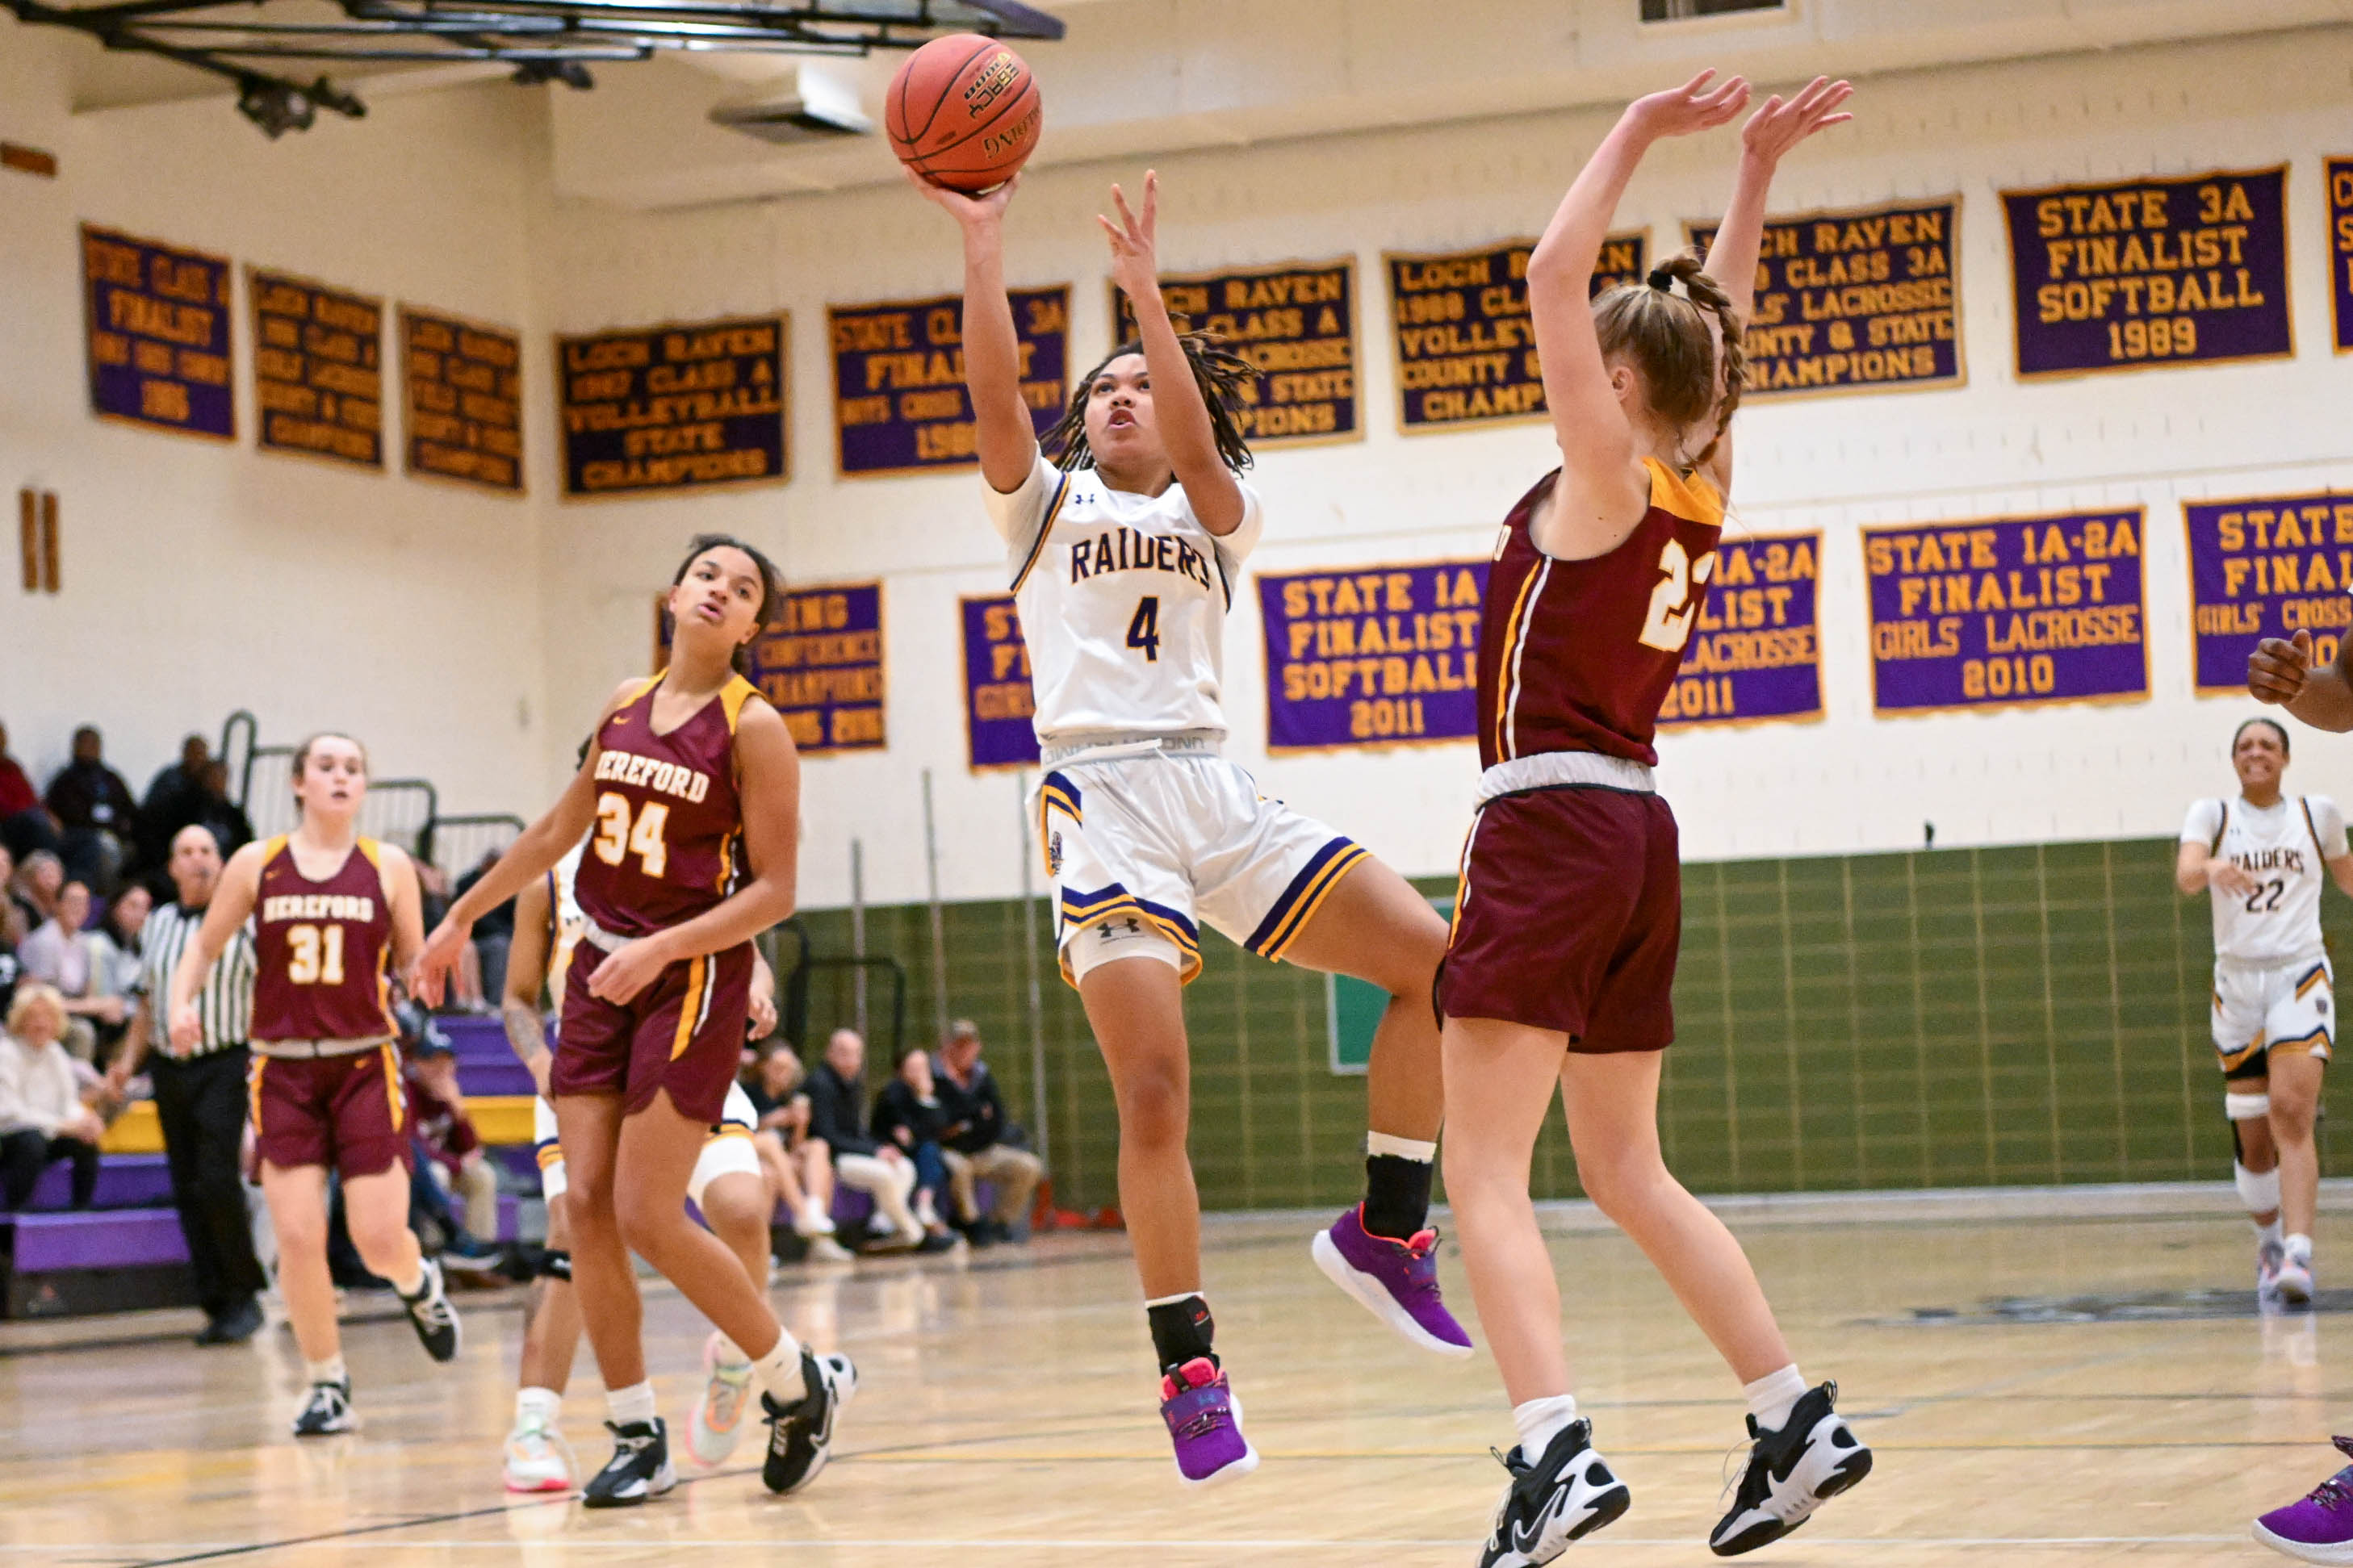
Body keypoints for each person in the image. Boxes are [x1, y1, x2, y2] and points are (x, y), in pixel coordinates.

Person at [911, 162, 1467, 1486]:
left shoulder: (1223, 518)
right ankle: (1189, 1366)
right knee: (1155, 1088)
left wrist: (1148, 295)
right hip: (1101, 798)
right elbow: (998, 401)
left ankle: (1390, 1228)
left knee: (1439, 961)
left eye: (1141, 383)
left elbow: (1209, 455)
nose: (1116, 397)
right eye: (1100, 386)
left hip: (1215, 789)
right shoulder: (1046, 510)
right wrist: (984, 249)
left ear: (1183, 410)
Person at [1431, 73, 1872, 1565]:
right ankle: (1792, 1412)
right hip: (1635, 833)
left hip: (1550, 819)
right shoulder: (1698, 475)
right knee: (1624, 1167)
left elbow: (1560, 272)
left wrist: (1632, 131)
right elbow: (1719, 342)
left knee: (1481, 1168)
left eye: (1590, 360)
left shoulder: (1609, 472)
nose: (1570, 360)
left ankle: (1550, 1448)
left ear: (1615, 385)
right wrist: (1748, 177)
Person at [414, 535, 854, 1507]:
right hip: (597, 971)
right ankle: (635, 1428)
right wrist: (457, 916)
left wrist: (662, 948)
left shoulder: (755, 728)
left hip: (688, 972)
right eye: (708, 575)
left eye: (742, 590)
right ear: (674, 593)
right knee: (587, 1212)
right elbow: (553, 833)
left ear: (750, 628)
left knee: (650, 1210)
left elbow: (777, 890)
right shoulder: (621, 703)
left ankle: (792, 1378)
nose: (719, 592)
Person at [169, 734, 461, 1436]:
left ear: (363, 787)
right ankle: (328, 1382)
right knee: (298, 1236)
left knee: (378, 1238)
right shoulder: (256, 862)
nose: (340, 776)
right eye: (326, 765)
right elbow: (204, 945)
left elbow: (414, 963)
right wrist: (182, 1001)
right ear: (299, 782)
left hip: (364, 1062)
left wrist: (434, 963)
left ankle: (419, 1282)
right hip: (283, 1067)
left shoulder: (389, 866)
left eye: (353, 767)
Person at [494, 834, 802, 1494]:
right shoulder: (546, 882)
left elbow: (748, 949)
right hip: (588, 1067)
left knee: (743, 1209)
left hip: (686, 1044)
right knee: (572, 1228)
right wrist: (540, 1062)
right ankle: (539, 1423)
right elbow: (518, 996)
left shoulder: (686, 847)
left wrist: (758, 992)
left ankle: (736, 1357)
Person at [2174, 717, 2350, 1308]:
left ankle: (2299, 1250)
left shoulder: (2315, 814)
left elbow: (2347, 877)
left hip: (2299, 974)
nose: (2256, 753)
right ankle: (2269, 1243)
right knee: (2253, 1140)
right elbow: (2184, 875)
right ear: (2233, 760)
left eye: (2267, 745)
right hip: (2237, 986)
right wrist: (2211, 867)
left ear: (2285, 757)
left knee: (2290, 1111)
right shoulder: (2212, 815)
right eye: (2245, 746)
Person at [108, 824, 267, 1345]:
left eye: (206, 850)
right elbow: (147, 1002)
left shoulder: (245, 921)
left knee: (218, 1178)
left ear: (220, 862)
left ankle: (244, 1293)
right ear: (173, 866)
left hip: (226, 1059)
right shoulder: (157, 923)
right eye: (186, 851)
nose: (197, 859)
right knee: (187, 1183)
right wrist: (126, 1062)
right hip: (170, 1068)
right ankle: (215, 1298)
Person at [806, 1027, 923, 1252]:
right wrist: (875, 1152)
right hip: (832, 1157)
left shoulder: (854, 1085)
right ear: (829, 1053)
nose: (850, 1060)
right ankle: (909, 1228)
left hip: (853, 1151)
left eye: (855, 1054)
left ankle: (882, 1223)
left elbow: (857, 1131)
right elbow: (827, 1136)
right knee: (885, 1174)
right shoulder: (820, 1084)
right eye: (843, 1053)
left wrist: (880, 1147)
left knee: (905, 1166)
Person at [934, 1019, 1042, 1244]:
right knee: (958, 1168)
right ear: (946, 1047)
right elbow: (940, 1122)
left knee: (1029, 1167)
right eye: (958, 1045)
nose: (964, 1051)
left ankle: (1001, 1224)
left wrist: (965, 1124)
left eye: (969, 1045)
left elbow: (996, 1120)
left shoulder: (983, 1076)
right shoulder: (935, 1077)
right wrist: (973, 1117)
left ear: (977, 1047)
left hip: (983, 1149)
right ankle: (972, 1225)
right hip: (949, 1151)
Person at [0, 984, 103, 1209]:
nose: (41, 1023)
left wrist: (84, 1120)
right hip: (11, 1137)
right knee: (31, 1142)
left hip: (49, 1131)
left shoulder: (55, 1053)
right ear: (20, 1020)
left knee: (85, 1140)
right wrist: (63, 1126)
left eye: (48, 1016)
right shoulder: (6, 1053)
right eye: (33, 1016)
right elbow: (10, 1114)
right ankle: (14, 1219)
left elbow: (69, 1103)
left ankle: (81, 1214)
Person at [745, 1041, 845, 1256]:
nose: (783, 1074)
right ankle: (801, 1215)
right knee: (769, 1169)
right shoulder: (749, 1094)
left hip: (784, 1161)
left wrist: (800, 1125)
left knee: (818, 1147)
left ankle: (815, 1216)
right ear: (763, 1066)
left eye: (788, 1069)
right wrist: (771, 1121)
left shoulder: (791, 1097)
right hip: (751, 1158)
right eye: (778, 1067)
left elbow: (795, 1146)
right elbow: (741, 1134)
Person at [870, 1044, 961, 1250]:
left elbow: (940, 1126)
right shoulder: (894, 1092)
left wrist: (925, 1099)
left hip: (920, 1150)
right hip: (891, 1149)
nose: (918, 1073)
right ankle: (914, 1212)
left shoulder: (930, 1093)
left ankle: (926, 1211)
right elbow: (906, 1133)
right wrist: (921, 1110)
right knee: (930, 1155)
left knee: (934, 1156)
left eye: (922, 1067)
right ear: (902, 1070)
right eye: (913, 1067)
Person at [19, 880, 119, 1061]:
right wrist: (97, 1005)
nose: (79, 908)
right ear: (57, 904)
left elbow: (87, 994)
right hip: (38, 1014)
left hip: (68, 1010)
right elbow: (39, 1000)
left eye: (84, 903)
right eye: (73, 901)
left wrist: (104, 1007)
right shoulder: (45, 941)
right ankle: (77, 1088)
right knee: (82, 1031)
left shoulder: (83, 941)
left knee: (117, 1018)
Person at [44, 726, 136, 893]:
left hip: (114, 834)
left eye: (94, 744)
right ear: (75, 746)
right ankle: (104, 895)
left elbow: (130, 809)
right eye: (85, 744)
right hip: (80, 836)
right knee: (102, 846)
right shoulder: (66, 780)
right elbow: (58, 813)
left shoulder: (110, 778)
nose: (90, 748)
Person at [136, 734, 213, 876]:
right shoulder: (170, 780)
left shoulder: (207, 783)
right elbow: (154, 817)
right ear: (185, 754)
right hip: (163, 848)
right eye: (194, 753)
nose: (198, 758)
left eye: (202, 754)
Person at [0, 721, 62, 863]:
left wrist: (49, 815)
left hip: (30, 821)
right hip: (8, 826)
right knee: (35, 824)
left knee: (86, 839)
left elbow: (31, 797)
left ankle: (76, 882)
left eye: (3, 737)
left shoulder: (12, 766)